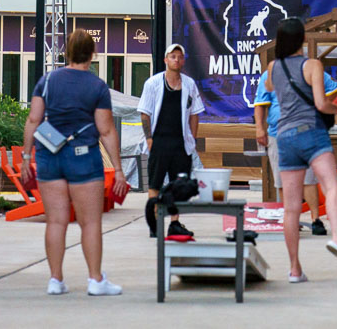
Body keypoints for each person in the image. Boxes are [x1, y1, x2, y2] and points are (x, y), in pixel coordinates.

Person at [22, 29, 127, 296]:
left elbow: (34, 120)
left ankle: (55, 280)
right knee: (90, 223)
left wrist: (25, 157)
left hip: (49, 157)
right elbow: (105, 130)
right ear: (92, 55)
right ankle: (95, 280)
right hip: (83, 158)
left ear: (66, 53)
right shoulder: (97, 86)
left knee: (56, 222)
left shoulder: (46, 81)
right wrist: (118, 168)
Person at [268, 18, 337, 281]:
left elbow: (271, 90)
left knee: (291, 208)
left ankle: (294, 269)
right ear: (302, 40)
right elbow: (321, 103)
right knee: (330, 186)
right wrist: (335, 110)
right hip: (312, 133)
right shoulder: (313, 65)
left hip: (284, 137)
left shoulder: (273, 68)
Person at [254, 60, 337, 235]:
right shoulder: (270, 73)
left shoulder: (309, 69)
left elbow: (334, 88)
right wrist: (259, 128)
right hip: (278, 132)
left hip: (305, 130)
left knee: (308, 179)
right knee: (282, 179)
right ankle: (290, 218)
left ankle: (315, 219)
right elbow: (260, 104)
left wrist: (320, 103)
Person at [138, 43, 205, 241]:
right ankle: (154, 223)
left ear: (183, 61)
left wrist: (191, 138)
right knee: (155, 185)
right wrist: (149, 139)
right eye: (173, 56)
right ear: (166, 60)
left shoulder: (189, 84)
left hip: (180, 143)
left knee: (178, 186)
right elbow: (145, 113)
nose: (176, 60)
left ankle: (174, 223)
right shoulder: (153, 83)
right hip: (159, 142)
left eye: (180, 57)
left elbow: (195, 114)